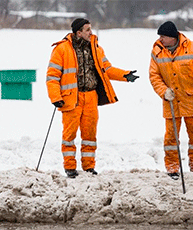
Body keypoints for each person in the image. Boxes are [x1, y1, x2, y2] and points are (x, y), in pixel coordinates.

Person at [46, 18, 139, 178]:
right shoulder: (61, 49)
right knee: (69, 136)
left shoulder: (96, 49)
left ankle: (89, 167)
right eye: (87, 29)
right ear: (78, 32)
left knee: (90, 135)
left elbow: (107, 69)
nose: (91, 32)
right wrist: (55, 97)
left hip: (91, 97)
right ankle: (70, 168)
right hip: (71, 99)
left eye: (91, 29)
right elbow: (52, 76)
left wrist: (125, 75)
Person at [149, 21, 193, 180]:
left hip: (192, 100)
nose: (161, 39)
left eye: (163, 36)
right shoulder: (157, 51)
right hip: (171, 102)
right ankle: (172, 168)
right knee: (171, 138)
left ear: (172, 36)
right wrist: (163, 91)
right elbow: (154, 76)